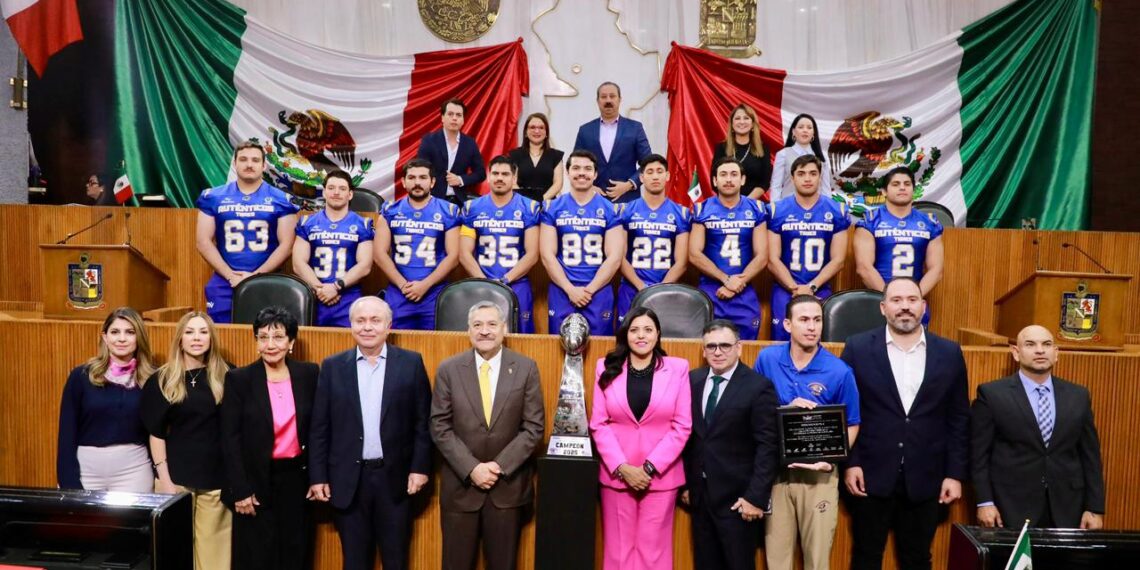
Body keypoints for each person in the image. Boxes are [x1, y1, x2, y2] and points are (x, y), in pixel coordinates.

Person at [840, 277, 969, 570]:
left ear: (924, 306)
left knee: (918, 559)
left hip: (927, 476)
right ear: (883, 308)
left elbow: (959, 417)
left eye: (912, 300)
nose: (905, 307)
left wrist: (954, 473)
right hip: (869, 475)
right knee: (865, 557)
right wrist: (851, 463)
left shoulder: (949, 352)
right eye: (896, 301)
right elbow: (846, 412)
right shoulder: (857, 348)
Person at [307, 296, 432, 570]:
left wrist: (419, 468)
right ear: (351, 325)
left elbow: (423, 422)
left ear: (389, 326)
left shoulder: (410, 363)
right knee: (354, 561)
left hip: (396, 480)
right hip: (349, 481)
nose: (367, 327)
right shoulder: (332, 367)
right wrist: (318, 477)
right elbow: (319, 428)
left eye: (375, 321)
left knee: (396, 560)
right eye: (360, 321)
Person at [430, 301, 545, 570]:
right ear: (468, 330)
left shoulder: (526, 368)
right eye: (477, 325)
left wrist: (497, 467)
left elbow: (534, 427)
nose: (485, 331)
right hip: (461, 489)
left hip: (507, 490)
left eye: (492, 324)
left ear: (504, 329)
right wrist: (472, 469)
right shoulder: (449, 369)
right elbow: (439, 426)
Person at [754, 295, 861, 570]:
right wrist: (784, 409)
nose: (812, 327)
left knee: (817, 560)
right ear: (788, 324)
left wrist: (834, 459)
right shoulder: (767, 359)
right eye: (804, 320)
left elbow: (852, 423)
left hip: (819, 476)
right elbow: (753, 409)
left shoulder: (839, 371)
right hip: (776, 473)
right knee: (777, 559)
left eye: (817, 320)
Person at [971, 324, 1105, 529]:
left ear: (1056, 353)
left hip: (1068, 508)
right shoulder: (992, 394)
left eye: (1047, 344)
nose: (1040, 350)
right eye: (1030, 344)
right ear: (1016, 353)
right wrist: (985, 502)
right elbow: (978, 455)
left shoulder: (1078, 396)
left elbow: (1090, 456)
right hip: (1010, 507)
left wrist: (1094, 507)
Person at [589, 307, 692, 570]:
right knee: (618, 551)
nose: (641, 336)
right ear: (626, 334)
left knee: (653, 552)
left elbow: (682, 426)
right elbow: (598, 424)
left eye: (648, 329)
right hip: (617, 476)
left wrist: (647, 468)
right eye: (634, 330)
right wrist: (623, 468)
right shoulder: (605, 367)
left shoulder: (678, 368)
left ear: (658, 333)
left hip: (659, 476)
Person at [221, 306, 320, 570]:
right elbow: (230, 439)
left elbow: (318, 430)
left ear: (291, 342)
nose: (270, 344)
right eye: (263, 337)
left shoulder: (309, 374)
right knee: (257, 557)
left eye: (278, 337)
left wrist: (316, 477)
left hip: (296, 481)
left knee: (295, 554)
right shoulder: (239, 379)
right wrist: (240, 489)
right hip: (255, 483)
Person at [681, 319, 779, 570]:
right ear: (703, 350)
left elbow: (768, 446)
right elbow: (689, 438)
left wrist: (756, 497)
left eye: (725, 345)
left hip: (738, 501)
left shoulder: (758, 387)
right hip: (700, 498)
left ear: (739, 347)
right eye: (711, 346)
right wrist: (687, 484)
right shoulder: (692, 381)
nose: (717, 352)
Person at [141, 311, 232, 569]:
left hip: (216, 483)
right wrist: (166, 481)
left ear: (211, 339)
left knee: (215, 559)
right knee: (175, 554)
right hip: (176, 481)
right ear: (179, 339)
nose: (196, 338)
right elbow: (156, 433)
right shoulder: (161, 379)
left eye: (203, 332)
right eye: (190, 332)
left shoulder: (228, 375)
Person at [195, 140, 300, 323]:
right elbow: (203, 241)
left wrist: (256, 276)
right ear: (235, 163)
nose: (249, 164)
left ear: (263, 165)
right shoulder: (213, 197)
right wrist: (230, 275)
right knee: (221, 336)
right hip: (225, 279)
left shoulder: (281, 199)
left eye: (255, 160)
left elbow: (287, 245)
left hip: (268, 277)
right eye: (243, 159)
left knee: (268, 332)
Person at [57, 307, 156, 492]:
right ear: (105, 337)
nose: (121, 339)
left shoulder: (152, 379)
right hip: (86, 471)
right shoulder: (81, 376)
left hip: (134, 470)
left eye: (130, 332)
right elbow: (67, 433)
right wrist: (68, 481)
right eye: (115, 332)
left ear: (139, 337)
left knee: (132, 522)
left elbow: (157, 432)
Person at [539, 150, 624, 335]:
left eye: (587, 169)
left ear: (595, 174)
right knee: (558, 347)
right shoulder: (553, 207)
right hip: (562, 288)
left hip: (598, 289)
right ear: (568, 173)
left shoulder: (610, 209)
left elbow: (615, 257)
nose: (582, 173)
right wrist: (570, 289)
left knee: (600, 350)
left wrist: (589, 290)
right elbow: (547, 255)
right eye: (576, 168)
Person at [766, 155, 850, 341]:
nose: (807, 178)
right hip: (784, 288)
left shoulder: (836, 210)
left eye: (813, 173)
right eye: (801, 173)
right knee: (781, 342)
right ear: (792, 177)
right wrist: (794, 288)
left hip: (820, 287)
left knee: (816, 341)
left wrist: (811, 287)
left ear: (820, 177)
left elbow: (838, 260)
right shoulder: (777, 210)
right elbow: (772, 259)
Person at [374, 158, 460, 330]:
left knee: (434, 347)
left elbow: (454, 256)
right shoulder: (390, 210)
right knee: (394, 347)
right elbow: (379, 253)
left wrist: (425, 285)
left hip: (434, 292)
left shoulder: (448, 210)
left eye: (422, 177)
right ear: (404, 182)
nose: (417, 182)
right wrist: (402, 285)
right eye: (412, 178)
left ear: (432, 182)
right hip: (399, 291)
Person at [459, 156, 542, 333]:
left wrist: (505, 280)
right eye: (495, 173)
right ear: (489, 177)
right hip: (481, 281)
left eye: (505, 174)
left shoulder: (529, 207)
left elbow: (532, 253)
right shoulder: (472, 208)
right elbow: (464, 253)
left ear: (514, 178)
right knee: (482, 334)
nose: (499, 178)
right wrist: (484, 282)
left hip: (517, 283)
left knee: (523, 337)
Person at [689, 156, 769, 340]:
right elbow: (694, 254)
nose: (729, 179)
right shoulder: (702, 209)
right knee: (711, 347)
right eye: (723, 175)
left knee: (746, 349)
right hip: (711, 289)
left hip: (744, 287)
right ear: (715, 180)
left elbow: (762, 255)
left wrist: (736, 284)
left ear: (743, 179)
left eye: (734, 174)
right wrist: (726, 280)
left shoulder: (756, 208)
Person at [854, 166, 944, 325]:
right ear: (884, 191)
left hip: (915, 304)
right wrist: (890, 299)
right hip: (879, 300)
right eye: (895, 184)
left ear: (913, 190)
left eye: (907, 184)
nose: (902, 187)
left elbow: (936, 270)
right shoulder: (870, 220)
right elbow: (864, 268)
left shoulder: (929, 223)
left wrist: (912, 299)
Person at [292, 170, 375, 327]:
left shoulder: (362, 224)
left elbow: (365, 265)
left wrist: (336, 287)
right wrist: (321, 289)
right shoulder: (307, 223)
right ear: (324, 192)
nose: (336, 193)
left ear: (350, 194)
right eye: (331, 188)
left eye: (342, 189)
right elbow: (298, 263)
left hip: (348, 296)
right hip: (314, 295)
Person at [616, 153, 691, 324]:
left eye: (659, 171)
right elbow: (619, 256)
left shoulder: (681, 212)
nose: (655, 176)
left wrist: (660, 290)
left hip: (667, 289)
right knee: (626, 339)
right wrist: (641, 286)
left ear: (667, 176)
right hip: (631, 288)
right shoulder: (625, 210)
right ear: (641, 177)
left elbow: (682, 262)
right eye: (649, 172)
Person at [573, 82, 652, 204]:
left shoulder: (635, 128)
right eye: (603, 97)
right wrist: (588, 187)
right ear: (598, 101)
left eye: (612, 96)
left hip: (628, 200)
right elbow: (576, 163)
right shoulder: (585, 130)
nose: (608, 100)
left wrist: (629, 184)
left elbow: (648, 163)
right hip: (592, 200)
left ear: (620, 99)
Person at [416, 98, 486, 205]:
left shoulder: (470, 143)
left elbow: (481, 173)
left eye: (458, 115)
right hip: (432, 200)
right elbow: (420, 171)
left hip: (459, 201)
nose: (454, 118)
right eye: (450, 114)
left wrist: (461, 179)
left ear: (463, 120)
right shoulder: (429, 140)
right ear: (442, 117)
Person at [710, 104, 773, 202]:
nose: (742, 122)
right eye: (737, 118)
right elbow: (714, 180)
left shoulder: (764, 148)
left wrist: (745, 203)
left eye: (746, 118)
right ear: (731, 124)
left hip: (752, 203)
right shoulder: (721, 148)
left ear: (752, 124)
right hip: (726, 204)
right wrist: (733, 201)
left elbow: (764, 182)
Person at [769, 113, 831, 202]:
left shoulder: (821, 156)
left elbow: (826, 187)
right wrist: (775, 208)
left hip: (816, 208)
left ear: (814, 133)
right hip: (789, 207)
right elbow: (776, 186)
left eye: (809, 128)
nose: (805, 130)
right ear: (793, 132)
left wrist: (827, 208)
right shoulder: (783, 154)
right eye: (801, 127)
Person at [507, 112, 565, 202]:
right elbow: (512, 183)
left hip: (548, 204)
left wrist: (541, 200)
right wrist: (527, 202)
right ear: (526, 132)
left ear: (546, 133)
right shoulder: (515, 155)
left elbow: (558, 183)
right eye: (532, 127)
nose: (537, 131)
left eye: (541, 128)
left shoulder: (556, 156)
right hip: (521, 204)